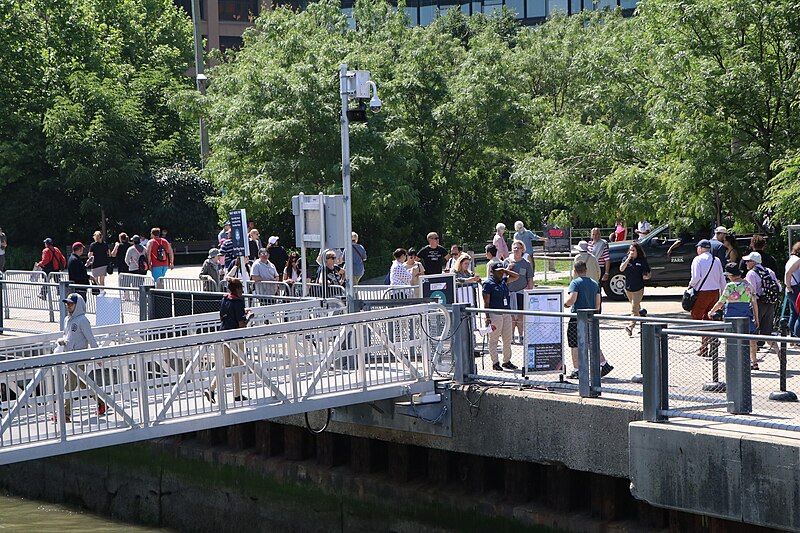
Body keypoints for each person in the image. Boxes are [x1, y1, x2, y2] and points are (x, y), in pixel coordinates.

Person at [53, 293, 104, 422]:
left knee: (68, 385)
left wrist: (98, 356)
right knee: (83, 383)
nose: (68, 306)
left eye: (71, 303)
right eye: (67, 303)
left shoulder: (83, 320)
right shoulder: (67, 319)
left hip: (79, 357)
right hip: (69, 355)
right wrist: (62, 342)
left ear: (78, 305)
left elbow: (91, 339)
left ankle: (64, 413)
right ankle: (102, 401)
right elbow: (67, 335)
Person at [564, 261, 614, 379]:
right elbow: (598, 303)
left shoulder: (575, 283)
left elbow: (572, 299)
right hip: (591, 317)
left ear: (575, 271)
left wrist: (566, 304)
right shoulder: (594, 283)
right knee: (591, 342)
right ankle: (604, 364)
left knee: (574, 344)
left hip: (577, 318)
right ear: (586, 270)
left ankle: (577, 369)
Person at [205, 279, 251, 404]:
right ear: (237, 289)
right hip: (236, 336)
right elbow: (242, 324)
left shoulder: (225, 299)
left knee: (226, 365)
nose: (242, 290)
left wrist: (241, 314)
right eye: (241, 287)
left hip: (224, 334)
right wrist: (248, 317)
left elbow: (221, 317)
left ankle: (211, 388)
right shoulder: (238, 302)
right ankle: (237, 394)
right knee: (239, 364)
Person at [708, 263, 760, 369]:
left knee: (731, 340)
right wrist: (757, 318)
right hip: (746, 315)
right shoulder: (748, 285)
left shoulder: (730, 286)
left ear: (731, 275)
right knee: (751, 340)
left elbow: (720, 302)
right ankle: (754, 361)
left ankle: (734, 361)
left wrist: (711, 311)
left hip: (731, 316)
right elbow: (754, 302)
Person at [689, 239, 726, 357]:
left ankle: (704, 345)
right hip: (714, 292)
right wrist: (723, 296)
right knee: (710, 317)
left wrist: (689, 287)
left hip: (702, 293)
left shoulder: (697, 259)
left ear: (700, 248)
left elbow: (695, 278)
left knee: (699, 319)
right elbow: (722, 279)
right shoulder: (717, 260)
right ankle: (711, 343)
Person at [482, 262, 520, 372]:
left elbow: (516, 276)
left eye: (501, 271)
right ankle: (495, 362)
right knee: (494, 339)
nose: (500, 273)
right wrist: (487, 317)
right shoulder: (488, 283)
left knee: (507, 339)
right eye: (498, 272)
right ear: (492, 272)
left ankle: (506, 361)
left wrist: (505, 270)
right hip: (495, 314)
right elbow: (486, 302)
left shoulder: (504, 281)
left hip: (506, 313)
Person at [743, 251, 781, 356]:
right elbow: (779, 287)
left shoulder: (751, 274)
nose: (746, 263)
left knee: (752, 334)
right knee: (767, 334)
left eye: (748, 261)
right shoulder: (769, 271)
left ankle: (753, 361)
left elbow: (752, 293)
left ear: (753, 262)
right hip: (770, 304)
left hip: (758, 304)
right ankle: (780, 353)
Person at [619, 242, 651, 336]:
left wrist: (647, 276)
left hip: (638, 288)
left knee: (634, 309)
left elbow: (648, 272)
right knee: (637, 308)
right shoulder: (626, 259)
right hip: (628, 288)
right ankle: (643, 317)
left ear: (637, 251)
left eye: (633, 250)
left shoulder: (642, 260)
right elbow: (621, 269)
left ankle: (630, 327)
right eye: (630, 250)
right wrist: (628, 258)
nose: (631, 252)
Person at [505, 241, 534, 344]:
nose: (516, 249)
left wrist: (530, 293)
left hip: (521, 292)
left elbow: (530, 279)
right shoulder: (507, 262)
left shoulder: (526, 264)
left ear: (522, 250)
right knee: (511, 316)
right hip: (509, 293)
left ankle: (521, 336)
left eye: (518, 248)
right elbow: (501, 278)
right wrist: (508, 269)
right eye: (514, 248)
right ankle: (511, 336)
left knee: (521, 316)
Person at [785, 242, 800, 338]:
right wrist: (789, 285)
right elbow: (788, 272)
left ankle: (792, 337)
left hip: (791, 289)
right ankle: (797, 335)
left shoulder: (791, 259)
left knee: (793, 313)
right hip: (795, 288)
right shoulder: (798, 260)